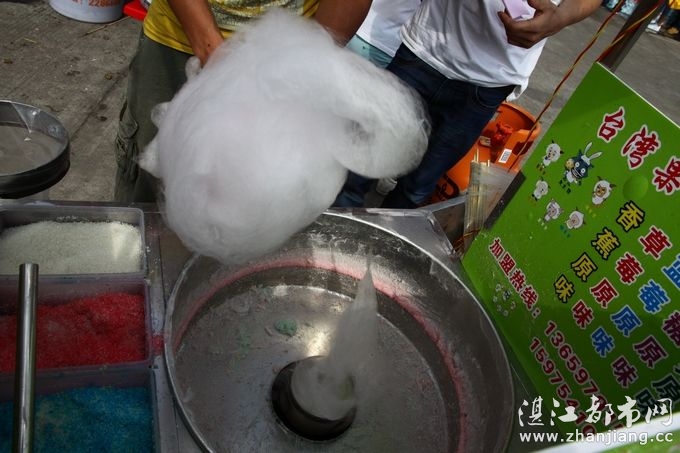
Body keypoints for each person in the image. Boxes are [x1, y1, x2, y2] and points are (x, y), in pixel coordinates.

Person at [333, 0, 601, 209]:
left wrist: (559, 18)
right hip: (423, 50)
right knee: (363, 162)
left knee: (417, 188)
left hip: (490, 81)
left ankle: (379, 247)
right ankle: (333, 232)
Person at [114, 0, 371, 203]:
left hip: (293, 46)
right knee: (152, 188)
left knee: (271, 191)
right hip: (177, 41)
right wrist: (216, 57)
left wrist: (306, 64)